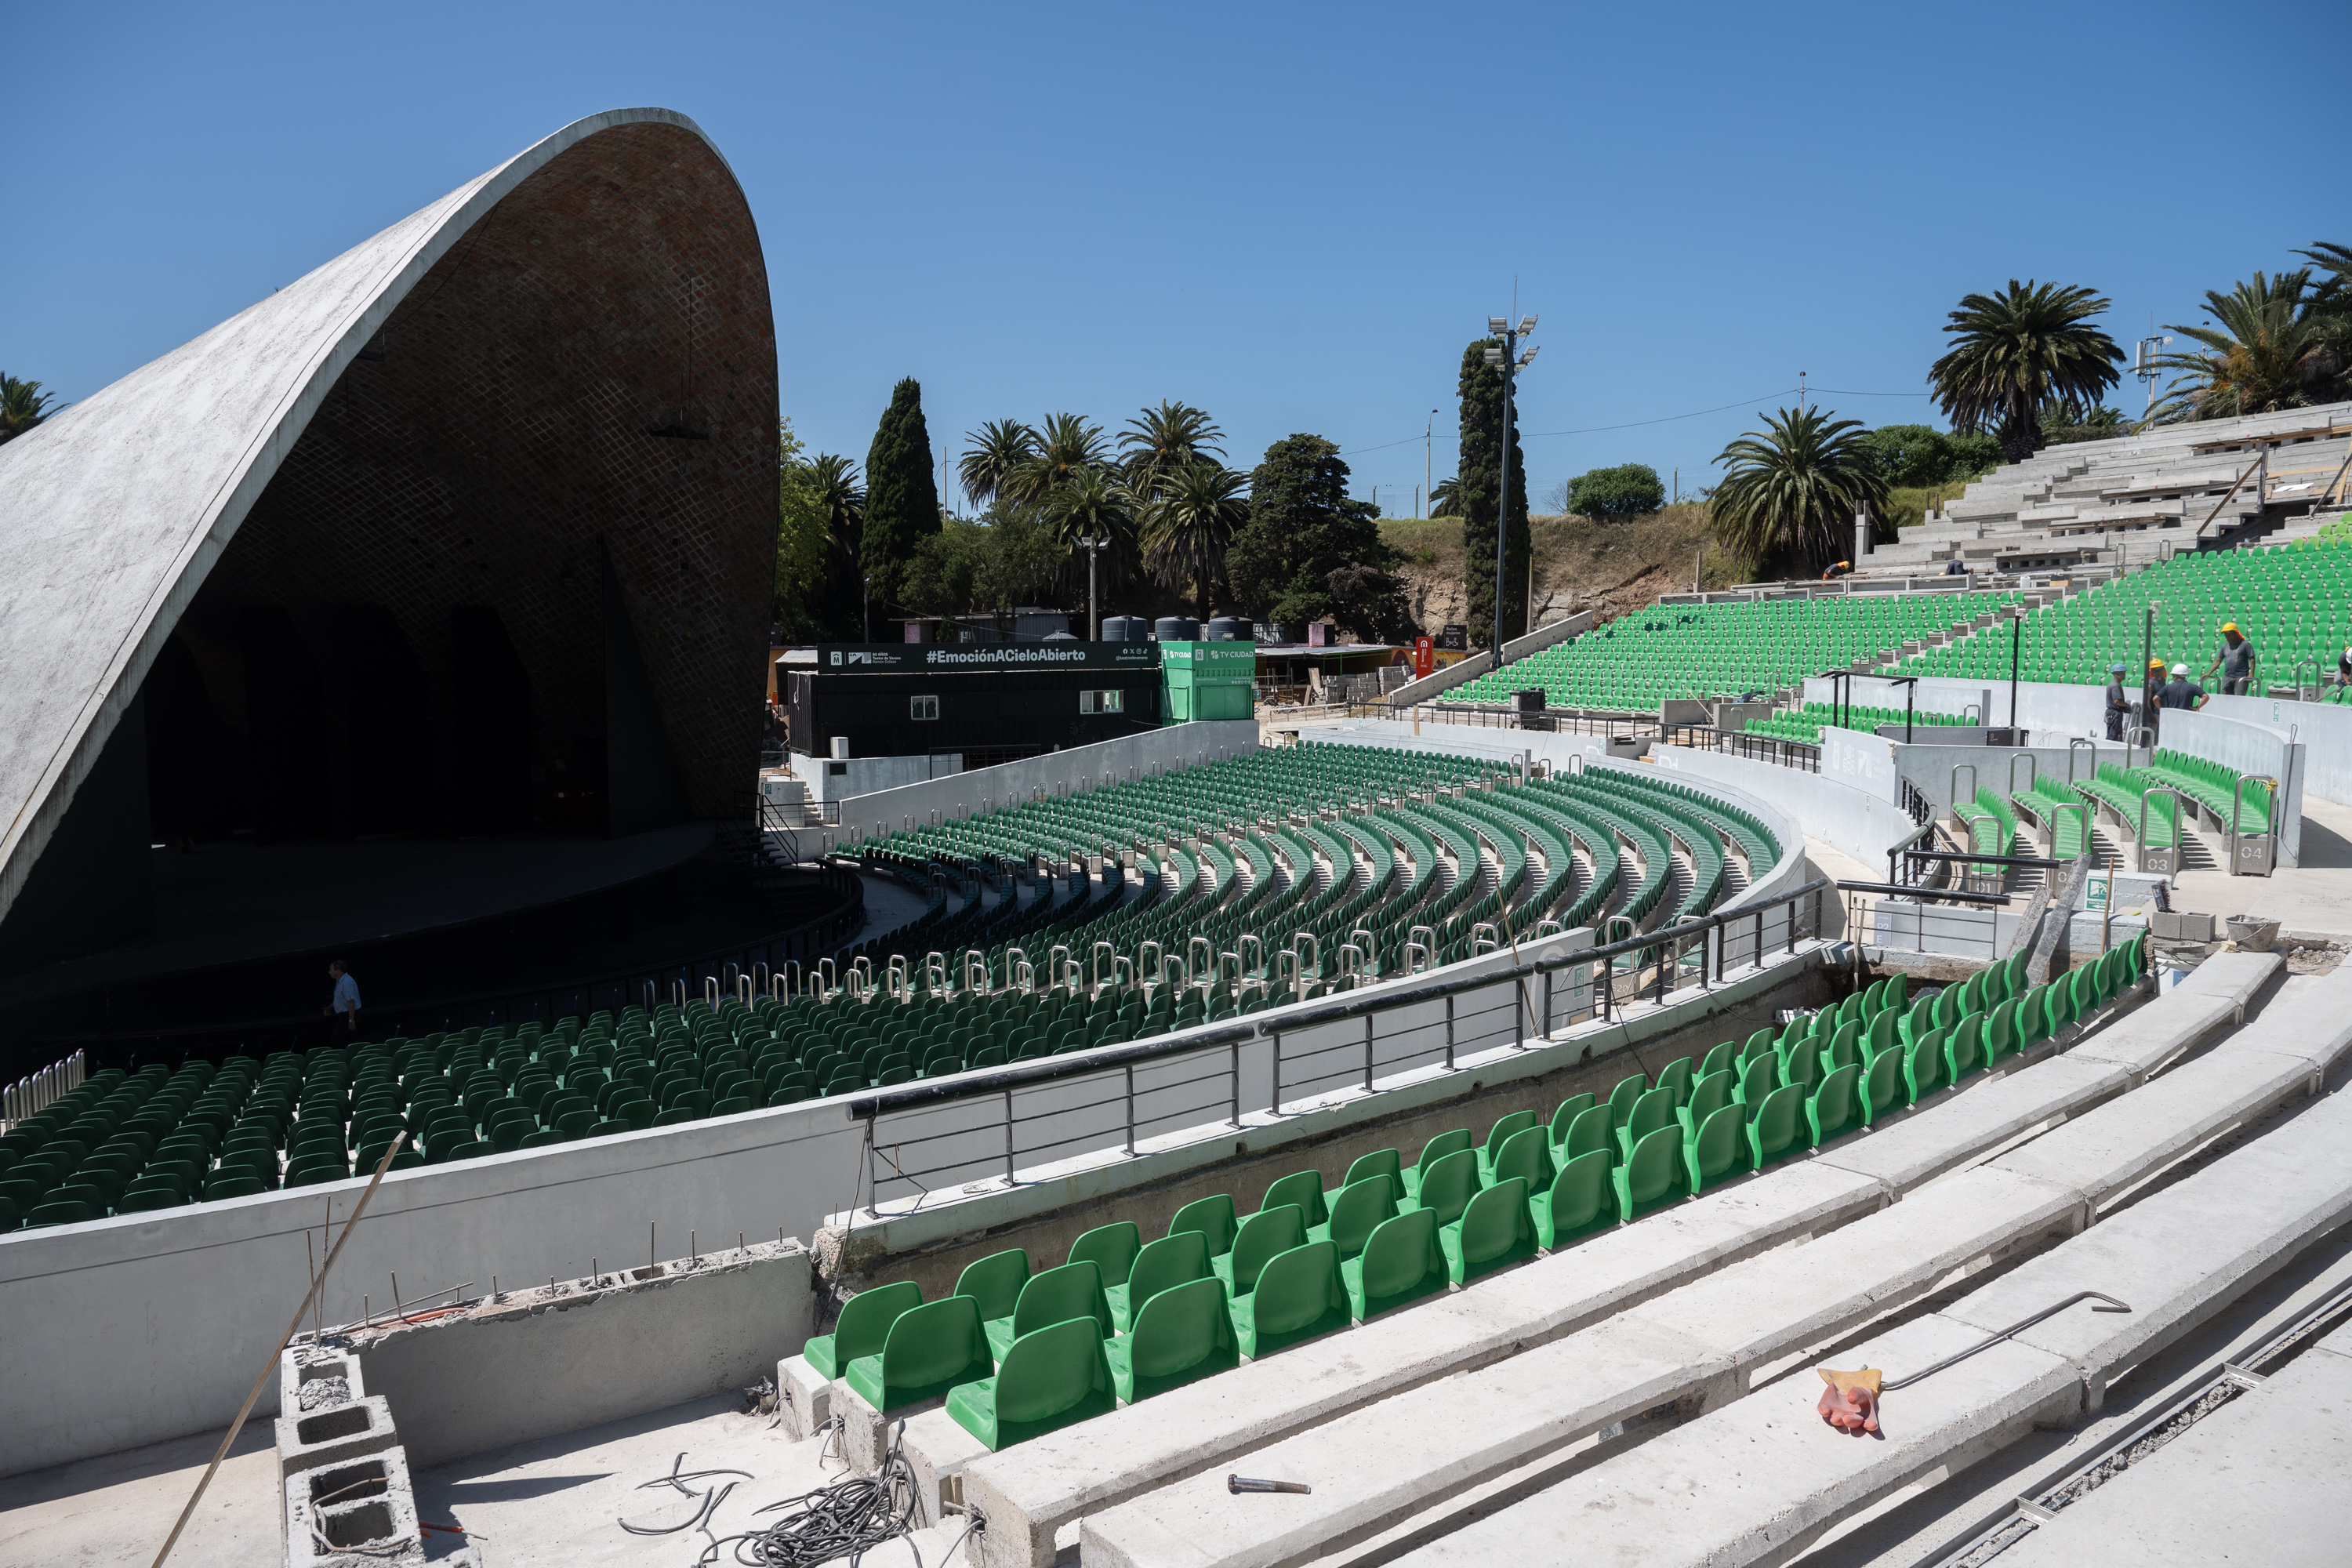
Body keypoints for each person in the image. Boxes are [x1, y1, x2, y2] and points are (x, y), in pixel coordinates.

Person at [2203, 621, 2256, 697]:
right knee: (2227, 698)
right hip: (2227, 677)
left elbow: (2252, 659)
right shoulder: (2225, 646)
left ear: (2235, 633)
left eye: (2229, 634)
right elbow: (2218, 661)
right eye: (2226, 635)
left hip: (2240, 677)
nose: (2227, 637)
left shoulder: (2245, 645)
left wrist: (2252, 674)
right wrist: (2209, 672)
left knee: (2238, 699)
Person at [325, 960, 361, 1044]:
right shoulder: (340, 982)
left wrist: (351, 1020)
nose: (329, 972)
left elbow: (351, 1002)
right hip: (345, 1015)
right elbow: (341, 999)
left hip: (348, 1015)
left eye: (331, 970)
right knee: (348, 1040)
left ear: (338, 971)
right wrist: (330, 1008)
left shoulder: (346, 983)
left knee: (337, 1041)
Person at [2103, 663, 2131, 742]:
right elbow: (2117, 701)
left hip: (2112, 713)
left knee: (2112, 733)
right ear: (2115, 674)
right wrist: (2128, 705)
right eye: (2121, 673)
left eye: (2124, 673)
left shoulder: (2114, 684)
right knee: (2114, 735)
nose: (2124, 675)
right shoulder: (2116, 686)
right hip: (2114, 713)